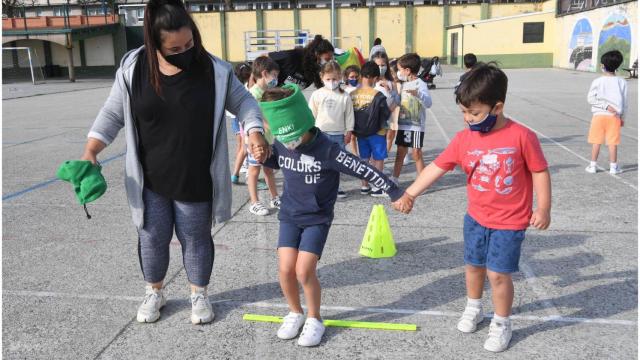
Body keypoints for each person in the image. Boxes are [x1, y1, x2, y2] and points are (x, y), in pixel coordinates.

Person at [81, 0, 269, 325]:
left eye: (189, 43)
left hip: (195, 176)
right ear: (156, 43)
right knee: (152, 237)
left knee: (195, 237)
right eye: (175, 48)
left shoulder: (215, 70)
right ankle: (155, 291)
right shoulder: (133, 69)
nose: (184, 51)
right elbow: (111, 114)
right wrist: (91, 151)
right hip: (149, 178)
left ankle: (199, 294)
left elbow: (245, 102)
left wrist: (254, 131)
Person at [394, 62, 552, 353]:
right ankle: (474, 307)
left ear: (498, 107)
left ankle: (502, 322)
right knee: (473, 267)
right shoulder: (464, 138)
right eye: (464, 113)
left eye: (475, 113)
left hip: (510, 221)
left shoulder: (522, 136)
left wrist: (543, 209)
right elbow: (437, 167)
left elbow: (540, 172)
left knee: (498, 274)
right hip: (476, 218)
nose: (468, 119)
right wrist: (411, 193)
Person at [256, 84, 405, 347]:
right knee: (285, 269)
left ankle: (315, 318)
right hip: (289, 214)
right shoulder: (282, 140)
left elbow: (362, 168)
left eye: (293, 137)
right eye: (283, 138)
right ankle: (294, 312)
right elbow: (275, 160)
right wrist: (260, 155)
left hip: (317, 218)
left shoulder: (329, 150)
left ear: (304, 124)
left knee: (304, 271)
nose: (288, 143)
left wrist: (394, 191)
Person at [308, 60, 355, 198]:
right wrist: (311, 132)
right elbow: (311, 114)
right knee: (319, 162)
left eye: (334, 79)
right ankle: (320, 187)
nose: (331, 81)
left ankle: (336, 187)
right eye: (328, 79)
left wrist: (349, 131)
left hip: (339, 134)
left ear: (340, 77)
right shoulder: (317, 94)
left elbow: (349, 115)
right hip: (321, 134)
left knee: (337, 162)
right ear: (322, 77)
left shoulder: (345, 95)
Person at [246, 56, 281, 215]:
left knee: (269, 169)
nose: (276, 79)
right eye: (274, 75)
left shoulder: (268, 92)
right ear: (265, 73)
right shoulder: (252, 94)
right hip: (256, 140)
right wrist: (272, 126)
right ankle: (254, 202)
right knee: (254, 170)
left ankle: (275, 197)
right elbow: (253, 117)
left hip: (269, 138)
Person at [350, 61, 392, 196]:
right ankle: (378, 187)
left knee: (364, 159)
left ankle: (364, 186)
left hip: (360, 133)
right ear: (374, 78)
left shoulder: (352, 94)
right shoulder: (378, 95)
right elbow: (386, 113)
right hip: (377, 132)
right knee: (378, 158)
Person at [391, 53, 432, 184]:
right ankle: (395, 179)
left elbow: (428, 103)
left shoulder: (420, 84)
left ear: (407, 71)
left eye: (400, 69)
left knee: (416, 153)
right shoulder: (402, 84)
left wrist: (418, 94)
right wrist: (391, 92)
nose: (398, 72)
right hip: (403, 125)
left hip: (416, 125)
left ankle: (422, 181)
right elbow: (398, 101)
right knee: (400, 153)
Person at [585, 50, 628, 174]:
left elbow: (590, 99)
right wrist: (623, 117)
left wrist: (604, 106)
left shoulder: (597, 81)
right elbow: (625, 103)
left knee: (596, 141)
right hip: (614, 117)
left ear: (603, 65)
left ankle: (592, 166)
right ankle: (613, 167)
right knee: (612, 143)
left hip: (598, 116)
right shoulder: (622, 82)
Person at [268, 34, 335, 89]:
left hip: (289, 100)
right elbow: (265, 57)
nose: (328, 62)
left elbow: (323, 88)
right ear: (316, 54)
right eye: (327, 59)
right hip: (272, 96)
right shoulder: (292, 56)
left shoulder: (315, 70)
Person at [370, 50, 400, 154]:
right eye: (378, 65)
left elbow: (397, 99)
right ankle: (375, 159)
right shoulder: (370, 82)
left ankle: (383, 157)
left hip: (391, 114)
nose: (381, 68)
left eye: (383, 65)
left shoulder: (391, 82)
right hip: (375, 116)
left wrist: (389, 91)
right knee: (377, 139)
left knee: (390, 136)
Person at [230, 62, 252, 184]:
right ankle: (245, 167)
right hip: (240, 118)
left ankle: (239, 170)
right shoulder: (244, 87)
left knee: (241, 145)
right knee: (244, 145)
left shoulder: (234, 85)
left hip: (236, 118)